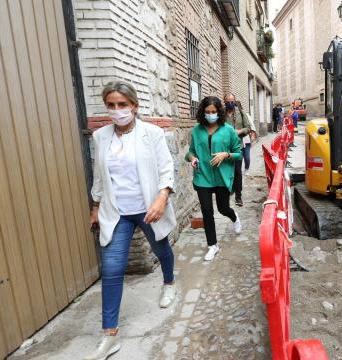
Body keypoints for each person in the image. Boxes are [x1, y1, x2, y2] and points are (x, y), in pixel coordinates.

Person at [86, 80, 177, 360]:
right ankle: (110, 336)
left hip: (148, 207)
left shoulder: (151, 133)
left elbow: (166, 168)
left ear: (134, 106)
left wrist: (161, 198)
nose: (117, 111)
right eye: (111, 106)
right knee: (112, 269)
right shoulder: (100, 137)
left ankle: (169, 283)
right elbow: (99, 175)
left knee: (161, 248)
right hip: (116, 212)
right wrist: (96, 205)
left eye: (122, 105)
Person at [186, 96, 243, 262]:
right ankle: (213, 246)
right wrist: (192, 159)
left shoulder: (228, 130)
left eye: (214, 112)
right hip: (202, 176)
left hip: (222, 177)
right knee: (206, 210)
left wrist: (226, 155)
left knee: (222, 208)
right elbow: (190, 152)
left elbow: (238, 154)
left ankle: (234, 217)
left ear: (219, 112)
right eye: (207, 112)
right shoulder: (196, 130)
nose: (210, 115)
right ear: (203, 113)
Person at [223, 93, 253, 206]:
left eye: (232, 100)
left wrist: (240, 131)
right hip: (224, 148)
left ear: (235, 100)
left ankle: (238, 196)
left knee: (237, 172)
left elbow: (249, 128)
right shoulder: (221, 114)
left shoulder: (241, 113)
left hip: (237, 147)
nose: (230, 103)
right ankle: (229, 189)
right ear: (224, 102)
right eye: (228, 101)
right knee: (227, 171)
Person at [235, 101, 257, 172]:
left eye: (237, 107)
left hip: (246, 140)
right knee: (239, 157)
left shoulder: (245, 115)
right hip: (237, 141)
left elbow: (251, 126)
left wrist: (253, 135)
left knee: (247, 157)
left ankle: (247, 168)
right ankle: (239, 171)